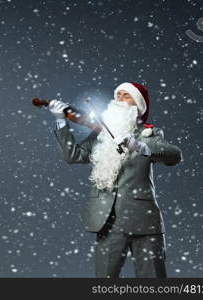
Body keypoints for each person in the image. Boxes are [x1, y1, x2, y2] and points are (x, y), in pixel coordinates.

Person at [49, 82, 182, 278]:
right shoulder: (100, 134)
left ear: (138, 105)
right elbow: (73, 156)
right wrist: (61, 121)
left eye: (126, 96)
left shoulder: (149, 134)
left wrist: (139, 146)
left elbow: (175, 155)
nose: (119, 99)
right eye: (117, 94)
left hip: (143, 220)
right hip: (107, 221)